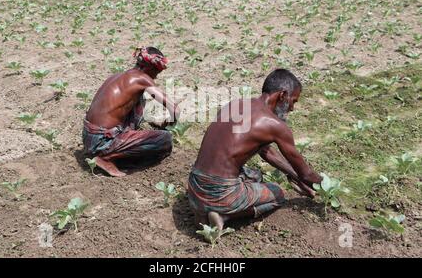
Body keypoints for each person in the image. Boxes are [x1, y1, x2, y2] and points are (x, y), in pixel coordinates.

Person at [188, 69, 322, 229]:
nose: (292, 108)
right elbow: (307, 174)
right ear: (283, 95)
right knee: (278, 193)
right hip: (220, 193)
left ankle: (205, 208)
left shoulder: (236, 105)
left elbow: (266, 151)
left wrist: (293, 174)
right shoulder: (275, 125)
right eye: (294, 101)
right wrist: (325, 187)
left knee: (255, 175)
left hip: (194, 187)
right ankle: (224, 215)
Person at [83, 47, 180, 177]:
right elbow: (175, 109)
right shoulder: (142, 79)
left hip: (88, 136)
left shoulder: (119, 76)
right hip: (103, 140)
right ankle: (106, 157)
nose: (156, 76)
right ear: (150, 68)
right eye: (157, 72)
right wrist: (168, 125)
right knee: (165, 139)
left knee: (140, 100)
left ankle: (116, 147)